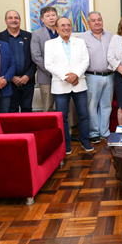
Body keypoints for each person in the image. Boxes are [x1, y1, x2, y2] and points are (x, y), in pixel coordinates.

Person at [44, 17, 93, 153]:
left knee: (83, 114)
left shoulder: (80, 42)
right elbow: (49, 64)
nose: (66, 27)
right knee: (62, 116)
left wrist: (75, 75)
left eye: (68, 25)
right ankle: (66, 145)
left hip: (79, 83)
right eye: (62, 25)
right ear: (57, 29)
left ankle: (85, 141)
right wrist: (68, 77)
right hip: (61, 85)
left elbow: (85, 60)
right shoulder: (50, 44)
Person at [79, 11, 113, 143]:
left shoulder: (109, 35)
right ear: (88, 23)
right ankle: (94, 132)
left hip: (109, 76)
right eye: (93, 20)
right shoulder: (82, 38)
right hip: (91, 77)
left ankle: (104, 132)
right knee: (91, 106)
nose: (97, 22)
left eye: (99, 19)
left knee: (106, 105)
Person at [0, 10, 36, 112]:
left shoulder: (30, 37)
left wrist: (28, 76)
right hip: (8, 82)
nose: (14, 20)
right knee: (11, 110)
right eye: (10, 18)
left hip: (28, 81)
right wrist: (11, 77)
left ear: (20, 20)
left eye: (16, 18)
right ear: (5, 21)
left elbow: (35, 58)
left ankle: (27, 129)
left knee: (27, 109)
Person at [31, 6, 58, 112]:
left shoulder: (62, 31)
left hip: (63, 77)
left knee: (65, 106)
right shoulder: (36, 34)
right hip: (46, 76)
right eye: (47, 16)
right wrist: (52, 71)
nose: (51, 18)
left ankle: (68, 128)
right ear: (42, 19)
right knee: (48, 106)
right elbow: (36, 56)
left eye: (53, 15)